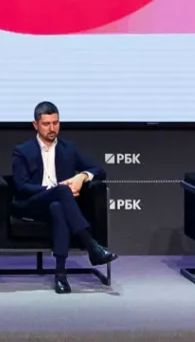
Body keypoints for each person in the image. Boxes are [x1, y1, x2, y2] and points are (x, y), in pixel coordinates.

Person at [8, 102, 115, 293]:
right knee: (62, 191)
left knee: (58, 206)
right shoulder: (23, 150)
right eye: (46, 124)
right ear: (35, 125)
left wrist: (82, 177)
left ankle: (60, 276)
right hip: (31, 204)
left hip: (58, 204)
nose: (52, 128)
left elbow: (99, 170)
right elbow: (21, 187)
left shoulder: (68, 148)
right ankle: (91, 245)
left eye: (55, 123)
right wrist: (53, 189)